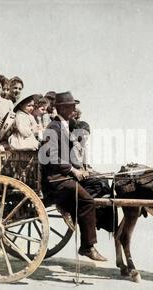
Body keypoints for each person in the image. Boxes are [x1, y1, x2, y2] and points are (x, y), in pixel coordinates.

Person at [40, 91, 107, 261]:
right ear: (61, 108)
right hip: (55, 180)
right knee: (87, 201)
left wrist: (83, 168)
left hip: (63, 176)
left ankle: (73, 211)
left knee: (99, 183)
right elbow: (53, 157)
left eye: (74, 106)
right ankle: (87, 247)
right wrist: (74, 171)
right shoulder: (53, 128)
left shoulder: (66, 125)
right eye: (70, 106)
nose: (74, 109)